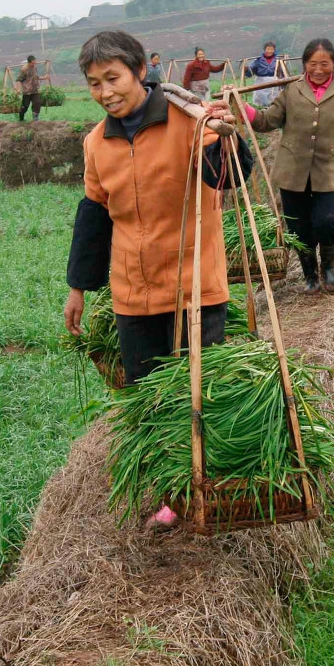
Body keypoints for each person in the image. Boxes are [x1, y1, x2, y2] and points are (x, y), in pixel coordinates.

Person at [64, 30, 254, 527]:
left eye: (113, 78)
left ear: (140, 72)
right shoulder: (96, 142)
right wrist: (79, 287)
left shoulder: (187, 121)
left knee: (199, 396)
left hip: (195, 284)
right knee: (149, 399)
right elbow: (94, 215)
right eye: (94, 83)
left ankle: (214, 488)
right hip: (133, 292)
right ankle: (173, 495)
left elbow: (228, 177)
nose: (105, 92)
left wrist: (224, 136)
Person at [219, 38, 334, 295]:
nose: (318, 69)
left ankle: (328, 268)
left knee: (328, 220)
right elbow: (268, 120)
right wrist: (238, 104)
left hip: (326, 168)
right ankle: (310, 274)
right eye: (313, 64)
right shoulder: (292, 90)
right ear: (304, 64)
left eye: (324, 64)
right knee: (299, 227)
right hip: (292, 168)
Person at [245, 41, 282, 107]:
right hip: (261, 82)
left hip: (274, 82)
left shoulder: (278, 60)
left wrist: (283, 84)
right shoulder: (258, 61)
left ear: (274, 50)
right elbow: (250, 73)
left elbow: (282, 73)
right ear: (265, 49)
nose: (270, 51)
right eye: (268, 49)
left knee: (273, 99)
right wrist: (246, 70)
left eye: (272, 49)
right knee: (260, 101)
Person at [17, 55, 43, 121]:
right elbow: (19, 79)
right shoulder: (24, 69)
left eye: (35, 63)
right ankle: (21, 118)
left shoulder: (35, 68)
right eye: (33, 63)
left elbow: (36, 77)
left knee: (37, 103)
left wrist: (44, 78)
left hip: (35, 90)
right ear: (29, 62)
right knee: (25, 106)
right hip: (27, 91)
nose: (34, 64)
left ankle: (35, 119)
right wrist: (18, 89)